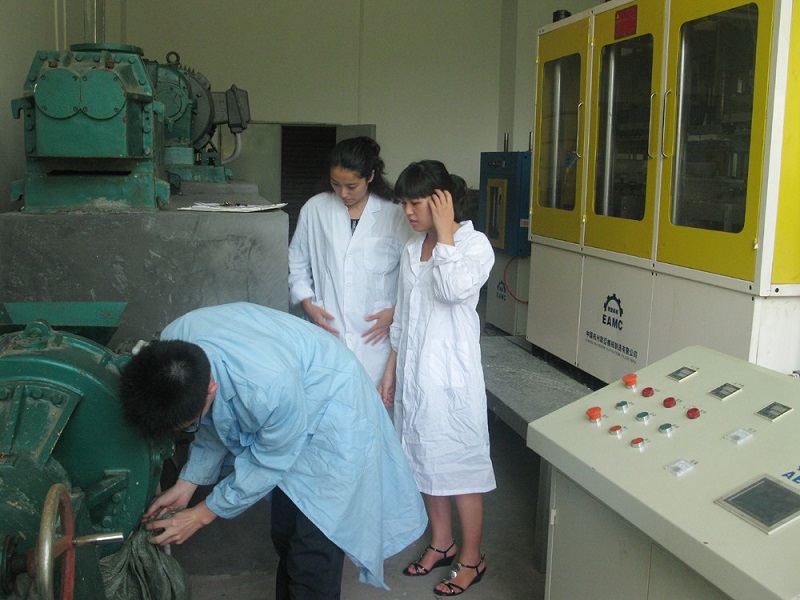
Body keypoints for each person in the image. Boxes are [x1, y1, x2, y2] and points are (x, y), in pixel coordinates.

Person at [119, 302, 427, 599]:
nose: (191, 428)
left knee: (313, 546)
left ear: (211, 389)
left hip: (333, 412)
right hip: (287, 401)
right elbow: (211, 418)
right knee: (286, 532)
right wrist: (188, 484)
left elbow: (268, 461)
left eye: (188, 425)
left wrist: (200, 515)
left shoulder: (267, 389)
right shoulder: (175, 345)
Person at [379, 160, 496, 597]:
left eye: (416, 203)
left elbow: (452, 291)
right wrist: (391, 369)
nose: (408, 212)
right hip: (415, 376)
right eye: (403, 203)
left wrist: (445, 234)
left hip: (451, 379)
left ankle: (471, 558)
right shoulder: (413, 249)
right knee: (424, 460)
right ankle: (442, 543)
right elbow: (404, 316)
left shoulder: (474, 245)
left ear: (442, 201)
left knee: (461, 466)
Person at [288, 136, 412, 387]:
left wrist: (396, 312)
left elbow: (413, 271)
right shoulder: (315, 209)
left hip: (376, 338)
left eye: (352, 186)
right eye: (336, 184)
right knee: (330, 401)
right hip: (330, 328)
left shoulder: (394, 213)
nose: (343, 193)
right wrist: (308, 304)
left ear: (371, 176)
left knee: (375, 404)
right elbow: (297, 261)